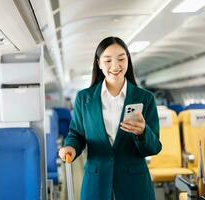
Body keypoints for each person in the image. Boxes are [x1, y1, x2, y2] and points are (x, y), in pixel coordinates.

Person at [58, 36, 162, 200]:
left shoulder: (145, 98)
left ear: (128, 60)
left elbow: (154, 147)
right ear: (99, 63)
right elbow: (76, 135)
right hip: (96, 182)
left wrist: (143, 133)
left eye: (121, 59)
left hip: (134, 185)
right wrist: (70, 147)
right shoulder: (84, 98)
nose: (115, 66)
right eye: (108, 61)